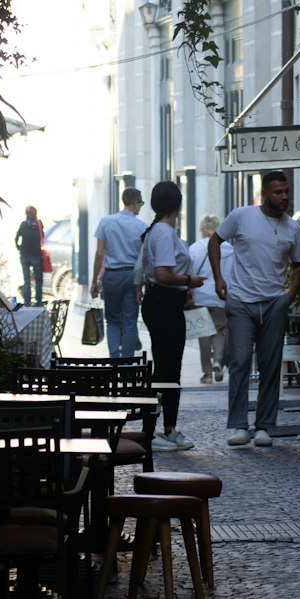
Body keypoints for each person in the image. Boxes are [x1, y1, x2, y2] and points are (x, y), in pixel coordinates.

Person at [209, 170, 300, 448]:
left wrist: (289, 295)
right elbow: (215, 241)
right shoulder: (242, 216)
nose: (284, 196)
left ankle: (264, 426)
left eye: (286, 191)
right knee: (238, 361)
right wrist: (218, 277)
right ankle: (240, 424)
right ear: (264, 193)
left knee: (270, 364)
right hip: (240, 300)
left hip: (275, 301)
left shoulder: (294, 228)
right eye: (278, 192)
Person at [140, 180, 205, 451]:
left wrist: (182, 286)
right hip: (164, 302)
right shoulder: (164, 233)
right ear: (178, 205)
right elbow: (164, 273)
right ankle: (159, 430)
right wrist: (190, 280)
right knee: (168, 370)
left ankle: (162, 428)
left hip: (160, 301)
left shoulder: (154, 230)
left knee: (166, 367)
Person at [90, 186, 147, 358]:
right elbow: (143, 259)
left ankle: (115, 357)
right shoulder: (142, 227)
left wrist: (95, 282)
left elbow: (100, 254)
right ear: (135, 203)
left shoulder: (106, 222)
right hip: (132, 276)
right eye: (141, 203)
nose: (140, 207)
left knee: (113, 320)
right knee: (130, 321)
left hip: (112, 276)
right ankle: (127, 363)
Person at [189, 214, 233, 384]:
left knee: (203, 334)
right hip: (221, 295)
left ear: (201, 229)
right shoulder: (229, 248)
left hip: (200, 296)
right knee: (220, 330)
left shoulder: (194, 248)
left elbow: (189, 271)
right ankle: (218, 362)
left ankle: (207, 374)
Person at [15, 204, 45, 307]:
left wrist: (19, 248)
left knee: (26, 279)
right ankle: (38, 301)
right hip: (36, 255)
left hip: (24, 255)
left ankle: (27, 301)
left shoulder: (23, 225)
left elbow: (16, 238)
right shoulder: (39, 224)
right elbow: (42, 237)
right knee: (38, 279)